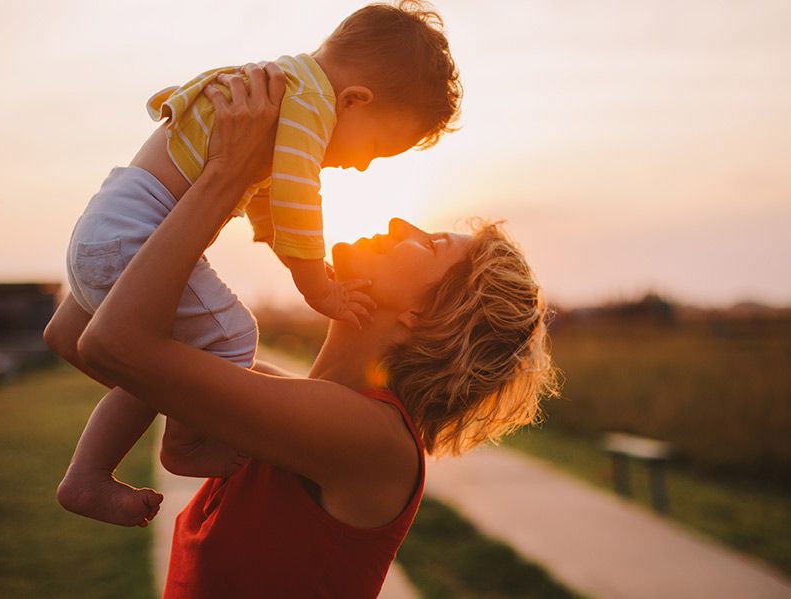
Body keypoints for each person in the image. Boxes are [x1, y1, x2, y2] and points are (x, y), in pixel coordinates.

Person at [45, 63, 557, 596]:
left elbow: (112, 344)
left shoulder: (371, 440)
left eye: (428, 244)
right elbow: (74, 334)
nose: (400, 224)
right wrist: (173, 176)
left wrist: (228, 173)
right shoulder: (276, 400)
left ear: (427, 315)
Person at [51, 0, 463, 527]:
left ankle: (89, 472)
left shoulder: (283, 87)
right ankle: (182, 444)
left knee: (168, 361)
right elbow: (295, 195)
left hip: (106, 225)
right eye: (377, 149)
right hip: (136, 234)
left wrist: (281, 249)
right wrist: (316, 284)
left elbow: (266, 198)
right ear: (355, 100)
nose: (362, 165)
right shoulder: (310, 107)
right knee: (232, 337)